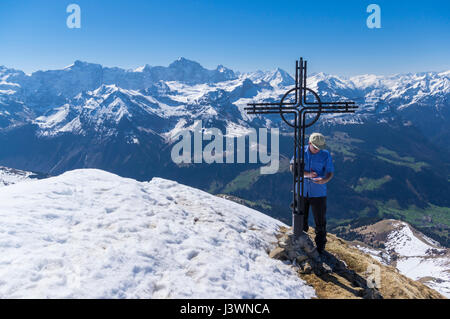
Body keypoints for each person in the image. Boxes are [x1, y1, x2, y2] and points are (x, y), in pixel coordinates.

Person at [289, 132, 334, 254]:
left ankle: (320, 248)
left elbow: (330, 172)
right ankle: (301, 242)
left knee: (320, 221)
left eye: (320, 148)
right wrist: (308, 174)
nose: (317, 150)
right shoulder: (300, 151)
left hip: (318, 192)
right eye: (315, 147)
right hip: (301, 190)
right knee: (300, 217)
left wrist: (324, 180)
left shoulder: (325, 155)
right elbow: (293, 168)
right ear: (309, 143)